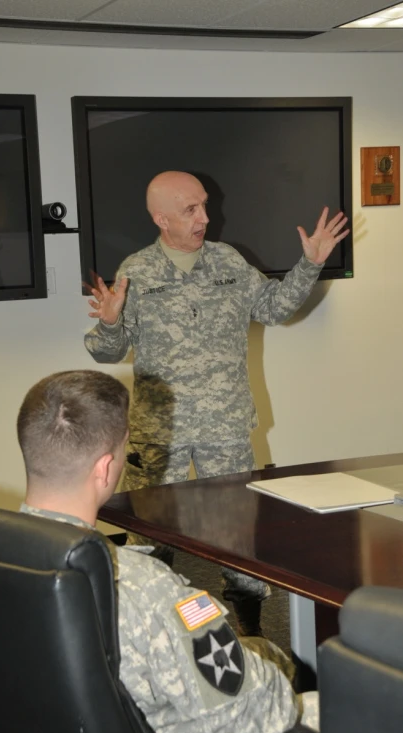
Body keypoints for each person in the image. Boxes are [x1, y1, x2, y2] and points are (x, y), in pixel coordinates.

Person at [17, 369, 318, 733]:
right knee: (351, 710)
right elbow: (255, 716)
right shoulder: (146, 588)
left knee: (264, 653)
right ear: (106, 469)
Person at [84, 170, 349, 635]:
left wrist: (308, 265)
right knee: (148, 538)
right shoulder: (137, 271)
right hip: (159, 430)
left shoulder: (228, 260)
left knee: (236, 536)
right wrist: (109, 323)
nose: (206, 217)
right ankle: (142, 633)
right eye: (191, 210)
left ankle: (249, 630)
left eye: (205, 205)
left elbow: (272, 308)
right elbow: (108, 350)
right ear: (160, 218)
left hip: (223, 426)